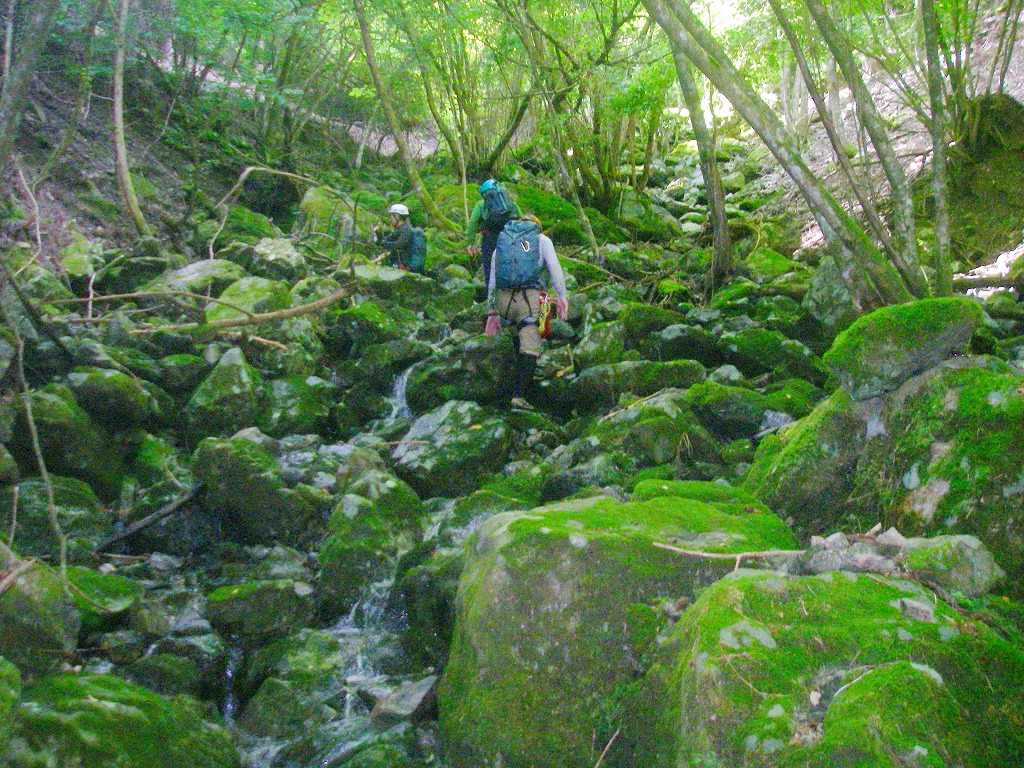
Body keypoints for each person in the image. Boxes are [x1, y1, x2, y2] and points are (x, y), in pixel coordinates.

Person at [485, 213, 569, 410]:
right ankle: (519, 395)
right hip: (528, 301)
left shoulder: (504, 244)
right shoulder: (541, 240)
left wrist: (491, 310)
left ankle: (515, 382)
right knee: (530, 346)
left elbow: (492, 280)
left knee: (517, 336)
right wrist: (562, 296)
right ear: (536, 227)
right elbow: (554, 268)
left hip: (504, 301)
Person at [467, 179, 520, 284]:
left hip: (489, 238)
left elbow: (473, 223)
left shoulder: (481, 204)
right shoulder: (509, 203)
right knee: (509, 264)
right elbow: (521, 218)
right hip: (510, 237)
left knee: (489, 267)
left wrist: (471, 243)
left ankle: (490, 295)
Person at [374, 203, 414, 269]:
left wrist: (384, 243)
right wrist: (379, 238)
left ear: (397, 216)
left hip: (404, 264)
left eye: (391, 216)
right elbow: (388, 238)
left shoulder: (406, 230)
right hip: (396, 262)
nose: (390, 219)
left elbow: (399, 245)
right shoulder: (398, 229)